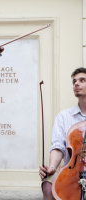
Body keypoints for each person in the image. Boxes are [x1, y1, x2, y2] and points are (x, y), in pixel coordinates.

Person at [39, 67, 86, 200]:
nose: (76, 83)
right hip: (73, 171)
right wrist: (52, 167)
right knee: (48, 185)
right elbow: (58, 146)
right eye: (74, 81)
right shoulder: (64, 116)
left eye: (82, 80)